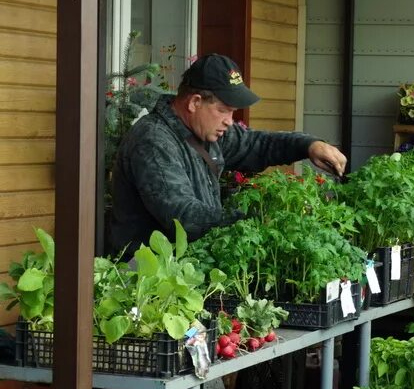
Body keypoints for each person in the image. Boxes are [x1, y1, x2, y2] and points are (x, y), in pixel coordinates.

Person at [109, 53, 347, 255]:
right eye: (223, 110)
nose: (229, 122)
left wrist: (309, 145)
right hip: (146, 282)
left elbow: (256, 144)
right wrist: (255, 221)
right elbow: (183, 216)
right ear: (194, 102)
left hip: (185, 271)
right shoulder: (153, 140)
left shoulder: (203, 131)